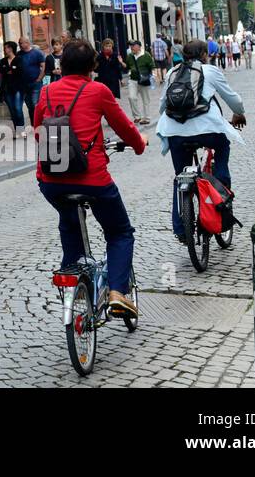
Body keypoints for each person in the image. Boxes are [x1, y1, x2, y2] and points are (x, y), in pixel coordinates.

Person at [35, 40, 147, 317]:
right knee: (120, 232)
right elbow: (123, 126)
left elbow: (38, 128)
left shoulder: (46, 91)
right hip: (92, 179)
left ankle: (71, 268)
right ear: (93, 66)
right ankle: (118, 292)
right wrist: (139, 144)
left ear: (61, 65)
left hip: (50, 178)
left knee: (68, 216)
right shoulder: (98, 91)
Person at [156, 40, 246, 241]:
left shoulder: (172, 73)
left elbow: (162, 107)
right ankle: (222, 191)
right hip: (208, 131)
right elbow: (233, 99)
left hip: (175, 133)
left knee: (180, 177)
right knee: (223, 146)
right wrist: (239, 113)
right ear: (205, 54)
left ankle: (181, 229)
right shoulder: (211, 71)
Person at [124, 40, 155, 126]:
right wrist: (122, 63)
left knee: (146, 100)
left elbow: (152, 67)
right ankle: (137, 116)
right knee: (131, 97)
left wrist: (152, 77)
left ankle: (147, 118)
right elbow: (127, 67)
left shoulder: (146, 55)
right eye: (131, 46)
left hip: (144, 80)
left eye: (133, 46)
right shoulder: (130, 56)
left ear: (139, 47)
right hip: (133, 79)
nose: (131, 47)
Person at [18, 36, 47, 129]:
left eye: (22, 43)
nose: (21, 45)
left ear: (27, 43)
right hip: (23, 84)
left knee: (35, 104)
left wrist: (40, 78)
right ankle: (33, 124)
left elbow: (43, 66)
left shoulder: (37, 53)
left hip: (35, 83)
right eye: (19, 43)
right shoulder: (19, 54)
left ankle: (39, 124)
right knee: (30, 105)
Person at [0, 41, 25, 134]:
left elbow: (20, 72)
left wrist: (11, 71)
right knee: (13, 112)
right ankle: (18, 131)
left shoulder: (19, 59)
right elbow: (2, 72)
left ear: (10, 48)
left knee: (18, 109)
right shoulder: (2, 61)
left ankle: (22, 131)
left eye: (6, 47)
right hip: (7, 89)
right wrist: (12, 70)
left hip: (18, 88)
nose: (4, 49)